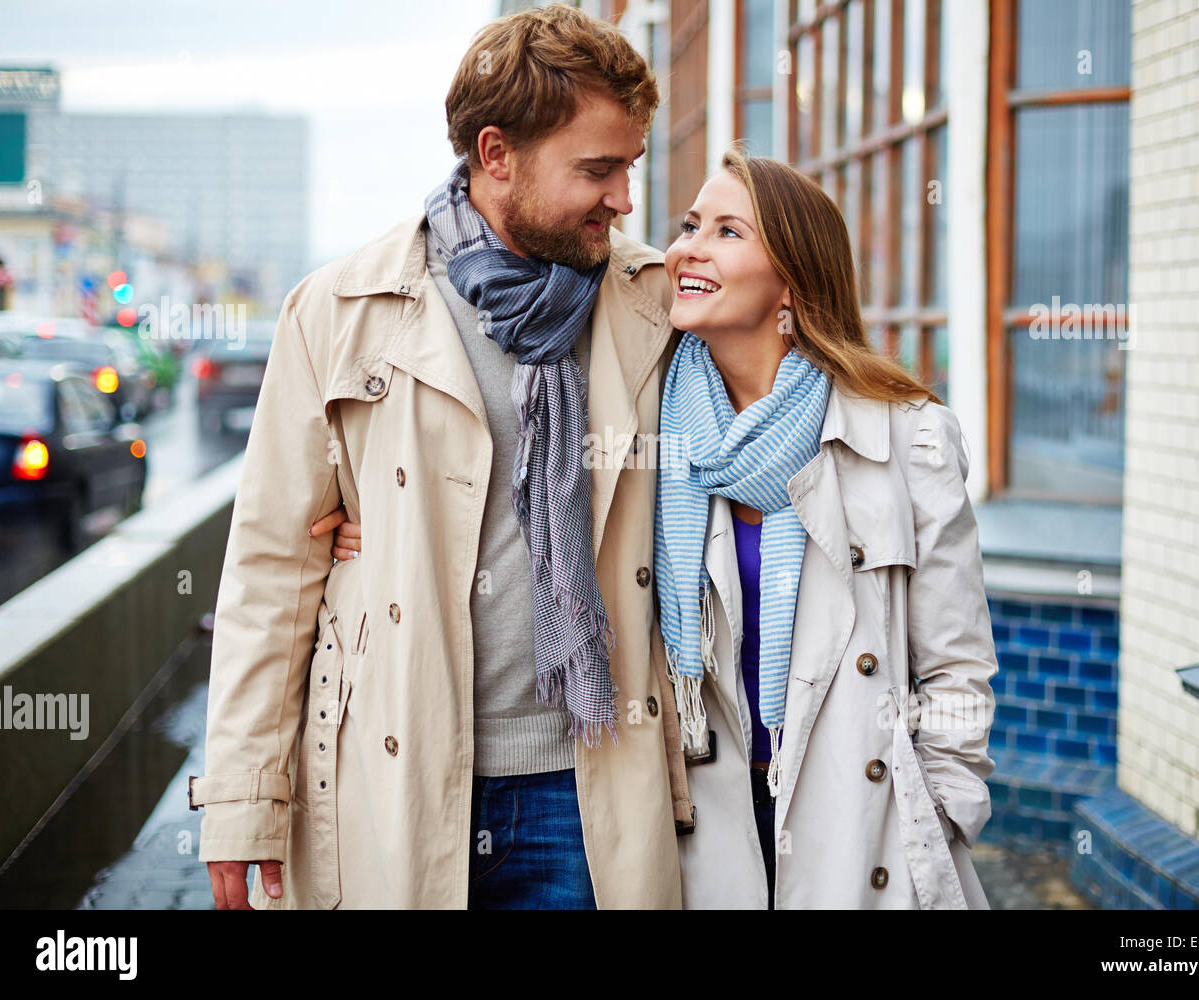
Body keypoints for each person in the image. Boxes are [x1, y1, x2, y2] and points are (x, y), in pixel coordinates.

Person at [326, 143, 999, 909]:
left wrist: (942, 814)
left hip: (866, 834)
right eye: (689, 224)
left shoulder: (904, 439)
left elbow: (957, 668)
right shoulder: (649, 422)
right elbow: (539, 513)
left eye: (727, 232)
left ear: (793, 280)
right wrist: (375, 537)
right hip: (708, 834)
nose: (684, 249)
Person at [194, 3, 692, 910]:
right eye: (598, 168)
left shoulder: (652, 301)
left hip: (585, 787)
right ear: (496, 153)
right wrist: (240, 796)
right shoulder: (340, 311)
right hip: (394, 777)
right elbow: (271, 571)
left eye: (630, 166)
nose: (624, 198)